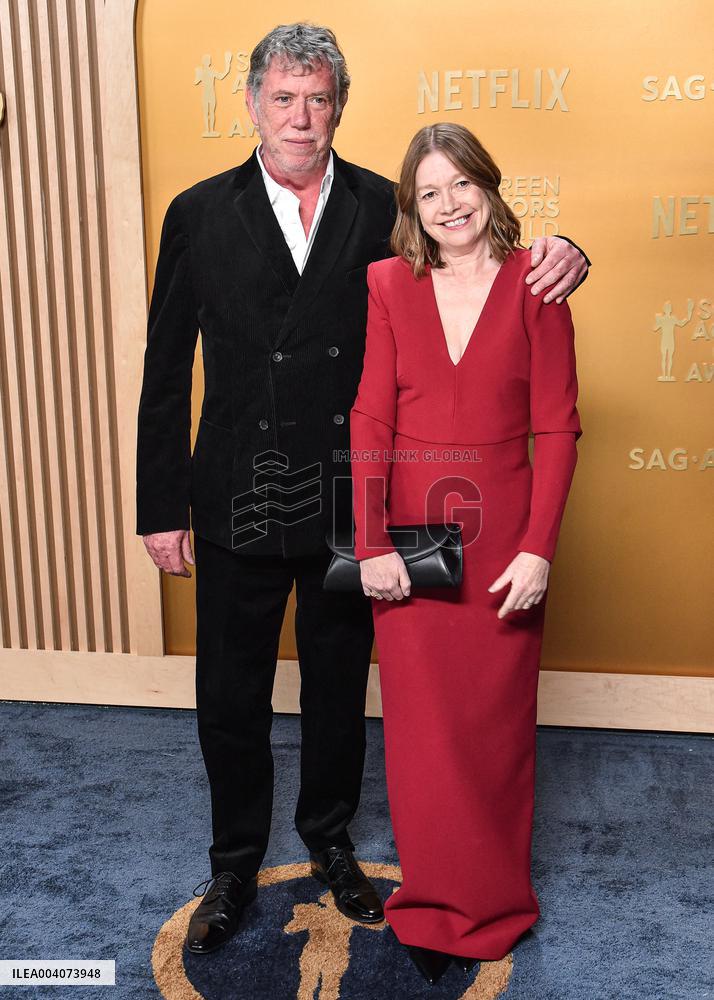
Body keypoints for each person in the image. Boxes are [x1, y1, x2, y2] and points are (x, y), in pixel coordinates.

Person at [136, 23, 591, 956]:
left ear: (340, 106)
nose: (301, 117)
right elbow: (165, 368)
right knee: (230, 691)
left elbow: (479, 267)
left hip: (351, 497)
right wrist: (159, 505)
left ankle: (332, 844)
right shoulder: (197, 210)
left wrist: (569, 250)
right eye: (283, 97)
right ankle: (232, 864)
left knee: (340, 688)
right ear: (252, 102)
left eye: (319, 99)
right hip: (235, 489)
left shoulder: (390, 205)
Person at [349, 122, 583, 984]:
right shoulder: (386, 282)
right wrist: (368, 541)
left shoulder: (540, 283)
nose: (449, 205)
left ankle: (495, 905)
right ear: (412, 205)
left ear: (489, 186)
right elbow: (370, 415)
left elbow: (558, 425)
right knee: (417, 732)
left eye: (462, 185)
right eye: (429, 191)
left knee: (493, 731)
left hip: (505, 542)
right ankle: (431, 902)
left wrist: (540, 549)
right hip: (410, 539)